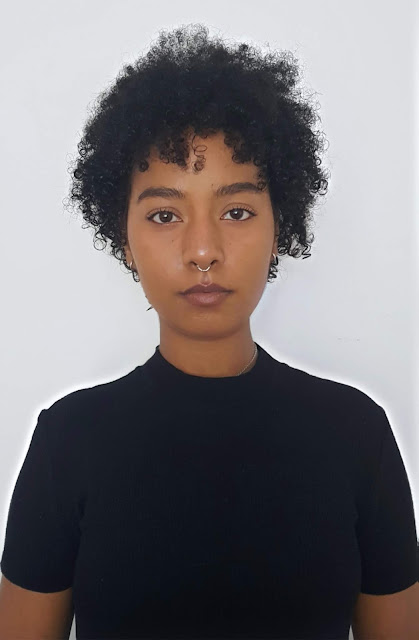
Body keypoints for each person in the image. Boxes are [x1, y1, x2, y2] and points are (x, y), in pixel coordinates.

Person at [0, 23, 417, 640]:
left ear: (279, 229)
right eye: (165, 214)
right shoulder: (68, 442)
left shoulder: (359, 437)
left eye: (237, 211)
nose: (203, 250)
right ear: (124, 240)